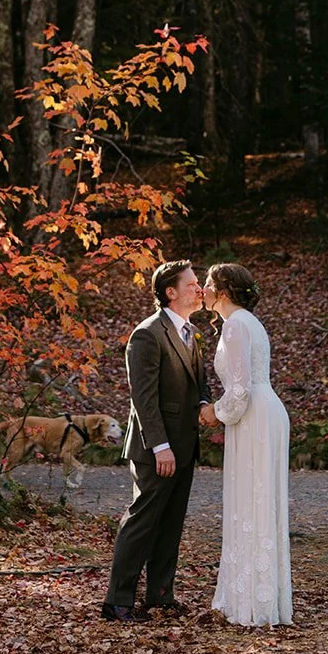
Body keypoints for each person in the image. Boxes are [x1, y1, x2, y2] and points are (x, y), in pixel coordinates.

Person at [101, 259, 211, 622]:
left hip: (185, 445)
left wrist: (205, 403)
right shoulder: (147, 334)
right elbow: (143, 398)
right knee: (142, 522)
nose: (199, 288)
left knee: (171, 523)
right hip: (156, 449)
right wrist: (160, 446)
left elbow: (200, 382)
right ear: (170, 292)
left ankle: (160, 596)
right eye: (191, 284)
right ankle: (118, 602)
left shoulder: (190, 332)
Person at [204, 262, 292, 627]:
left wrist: (214, 412)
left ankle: (254, 602)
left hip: (254, 416)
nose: (203, 290)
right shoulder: (247, 322)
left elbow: (239, 391)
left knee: (252, 499)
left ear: (222, 291)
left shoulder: (236, 325)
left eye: (208, 284)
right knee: (256, 499)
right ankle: (254, 595)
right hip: (262, 413)